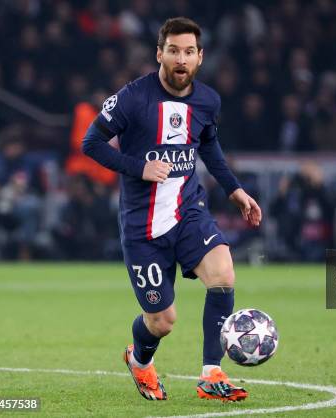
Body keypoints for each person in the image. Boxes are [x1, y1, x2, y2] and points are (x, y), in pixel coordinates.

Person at [82, 17, 262, 402]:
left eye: (189, 52)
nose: (181, 59)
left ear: (200, 57)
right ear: (159, 53)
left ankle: (211, 373)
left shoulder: (208, 100)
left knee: (223, 272)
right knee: (162, 322)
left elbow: (208, 145)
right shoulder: (132, 98)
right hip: (142, 227)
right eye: (174, 50)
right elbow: (91, 142)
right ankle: (140, 360)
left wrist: (235, 190)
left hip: (188, 212)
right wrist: (139, 167)